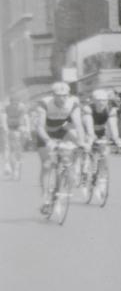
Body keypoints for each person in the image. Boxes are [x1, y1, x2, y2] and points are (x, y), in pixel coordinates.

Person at [35, 82, 86, 212]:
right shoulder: (44, 103)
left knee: (79, 143)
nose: (62, 98)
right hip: (45, 133)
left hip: (61, 130)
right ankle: (46, 198)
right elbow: (39, 127)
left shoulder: (73, 103)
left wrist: (81, 141)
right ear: (53, 95)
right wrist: (48, 141)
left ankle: (75, 167)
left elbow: (78, 124)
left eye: (65, 96)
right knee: (46, 164)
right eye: (59, 96)